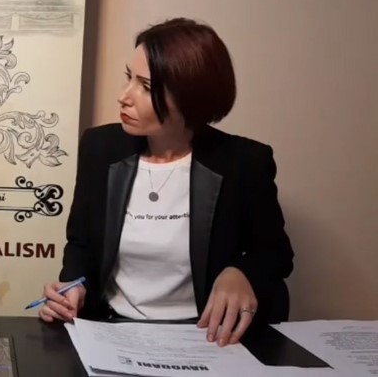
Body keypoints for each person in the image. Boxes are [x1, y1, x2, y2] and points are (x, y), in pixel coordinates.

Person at [38, 18, 294, 347]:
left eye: (146, 87)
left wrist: (241, 272)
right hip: (113, 331)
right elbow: (82, 243)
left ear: (190, 98)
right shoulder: (100, 148)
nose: (124, 97)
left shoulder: (244, 162)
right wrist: (74, 287)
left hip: (205, 337)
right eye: (129, 78)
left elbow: (276, 253)